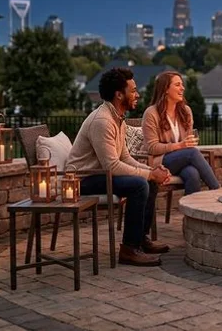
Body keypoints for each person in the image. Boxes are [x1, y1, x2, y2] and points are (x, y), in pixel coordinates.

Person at [66, 68, 172, 267]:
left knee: (149, 181)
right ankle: (129, 250)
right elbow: (112, 166)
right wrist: (148, 175)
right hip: (82, 180)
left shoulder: (117, 118)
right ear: (119, 94)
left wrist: (152, 173)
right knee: (139, 185)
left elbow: (124, 157)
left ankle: (140, 239)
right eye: (133, 90)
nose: (137, 94)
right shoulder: (103, 121)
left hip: (100, 174)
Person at [142, 71, 221, 195]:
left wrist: (184, 146)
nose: (182, 88)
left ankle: (190, 214)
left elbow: (188, 143)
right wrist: (179, 146)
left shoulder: (186, 111)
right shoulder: (151, 113)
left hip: (181, 160)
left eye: (182, 84)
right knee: (192, 153)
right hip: (159, 162)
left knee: (193, 174)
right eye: (177, 85)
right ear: (166, 89)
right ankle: (217, 191)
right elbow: (152, 148)